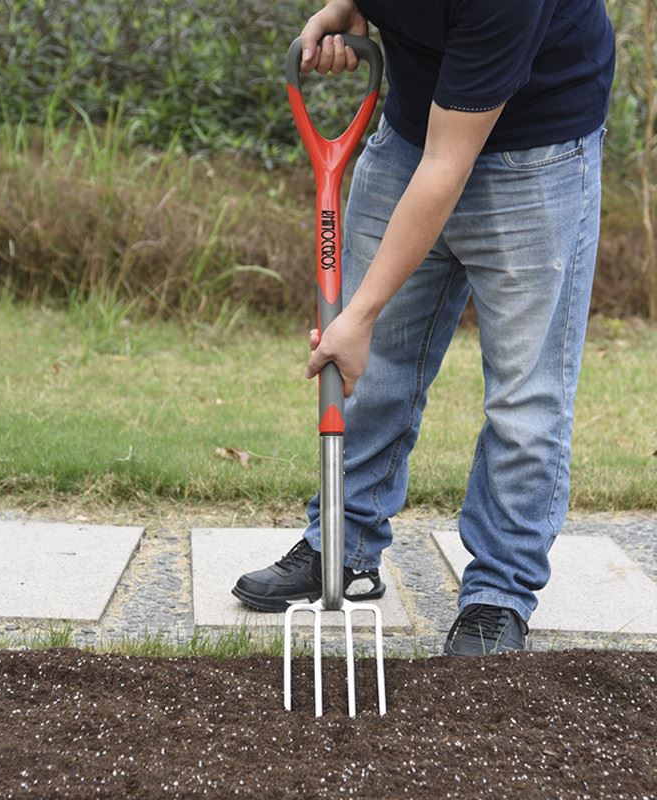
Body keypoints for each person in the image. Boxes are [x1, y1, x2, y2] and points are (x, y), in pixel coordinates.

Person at [233, 0, 614, 655]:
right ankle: (342, 551)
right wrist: (344, 8)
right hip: (412, 131)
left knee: (525, 401)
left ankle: (500, 594)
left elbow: (446, 166)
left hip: (538, 155)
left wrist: (359, 315)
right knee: (374, 370)